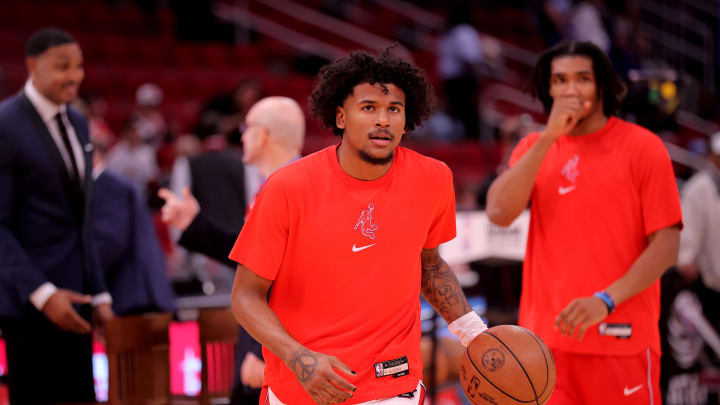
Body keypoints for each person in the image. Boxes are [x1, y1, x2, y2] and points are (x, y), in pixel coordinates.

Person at [229, 49, 488, 405]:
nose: (383, 119)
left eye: (393, 109)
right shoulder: (286, 187)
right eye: (368, 108)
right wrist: (296, 357)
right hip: (301, 388)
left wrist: (474, 333)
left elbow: (429, 266)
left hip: (392, 385)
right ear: (340, 116)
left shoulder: (434, 179)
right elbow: (245, 295)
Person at [486, 40, 682, 405]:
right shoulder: (534, 146)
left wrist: (606, 300)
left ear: (602, 86)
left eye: (582, 79)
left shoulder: (643, 147)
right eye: (560, 80)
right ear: (548, 89)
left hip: (620, 338)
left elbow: (667, 247)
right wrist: (548, 138)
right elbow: (498, 212)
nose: (570, 89)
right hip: (544, 348)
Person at [159, 96, 306, 403]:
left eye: (246, 127)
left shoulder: (298, 190)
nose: (241, 135)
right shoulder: (276, 185)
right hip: (267, 342)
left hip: (278, 350)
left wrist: (266, 351)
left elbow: (296, 283)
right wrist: (193, 224)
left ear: (263, 134)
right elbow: (253, 257)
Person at [0, 27, 114, 403]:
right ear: (33, 65)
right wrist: (44, 295)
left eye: (79, 66)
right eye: (63, 66)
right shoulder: (5, 124)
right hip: (30, 307)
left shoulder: (78, 121)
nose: (74, 76)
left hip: (77, 305)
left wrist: (98, 293)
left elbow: (81, 218)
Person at [91, 145, 176, 316]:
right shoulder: (114, 182)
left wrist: (88, 277)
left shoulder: (106, 184)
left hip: (132, 292)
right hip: (139, 291)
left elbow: (110, 240)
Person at [677, 131, 720, 330]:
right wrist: (686, 258)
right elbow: (688, 226)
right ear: (712, 156)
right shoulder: (699, 187)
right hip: (707, 281)